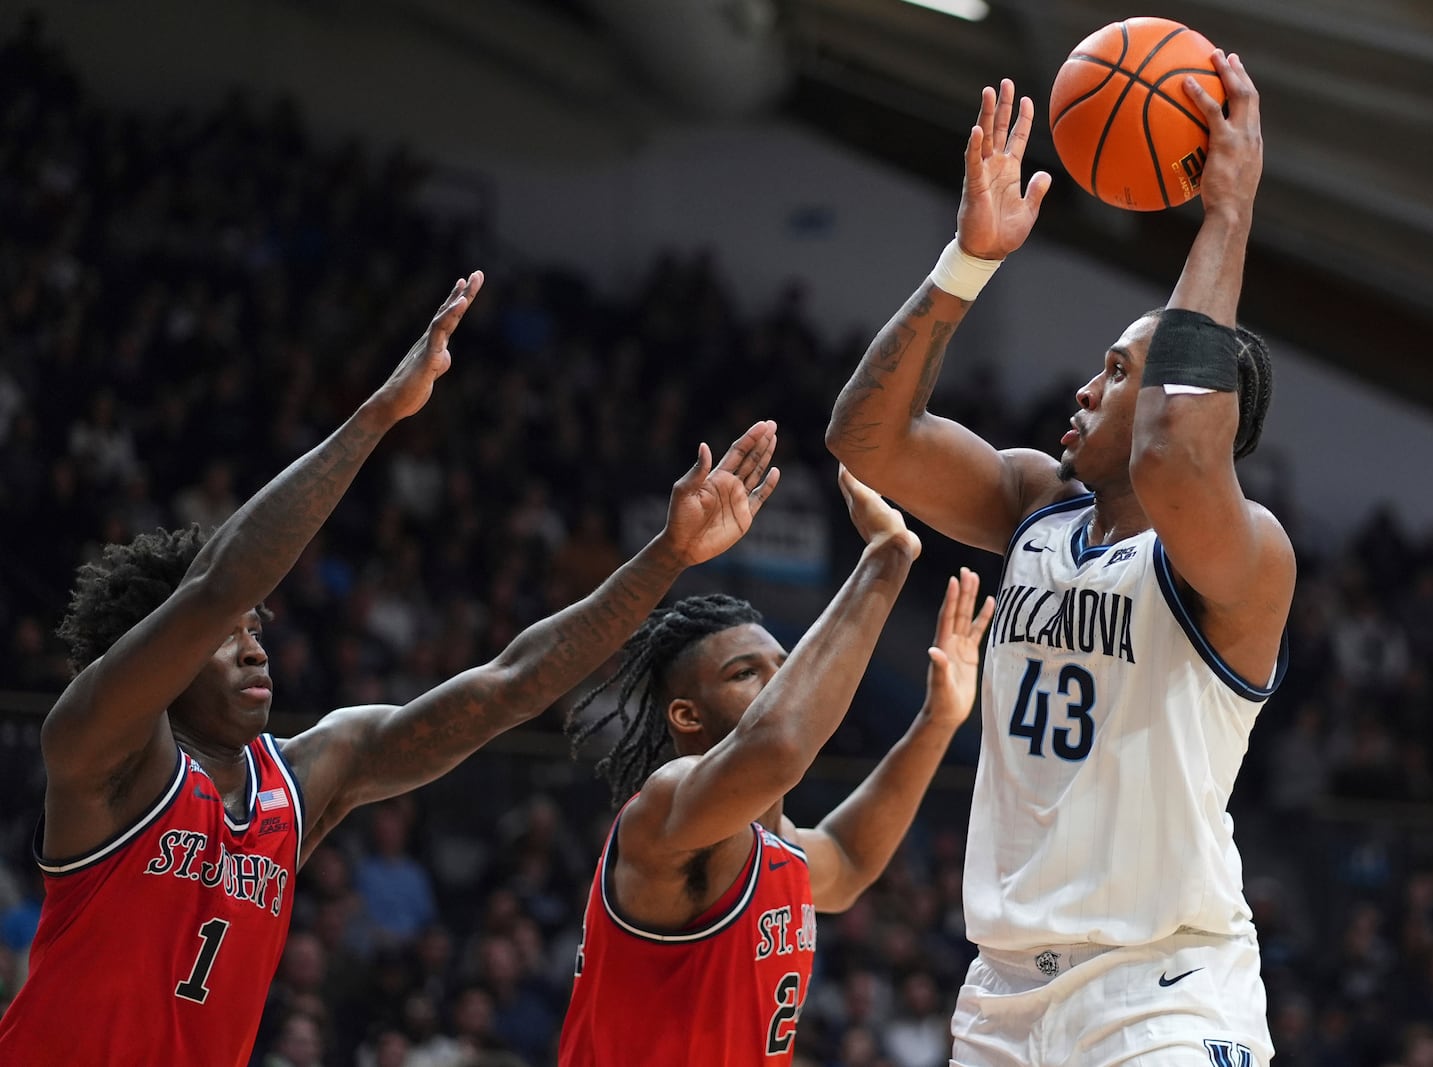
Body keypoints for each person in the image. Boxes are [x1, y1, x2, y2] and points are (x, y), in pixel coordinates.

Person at [0, 270, 785, 1067]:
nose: (253, 644)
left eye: (257, 627)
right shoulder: (96, 747)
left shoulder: (301, 779)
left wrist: (668, 556)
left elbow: (510, 684)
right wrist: (377, 416)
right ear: (153, 651)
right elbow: (218, 583)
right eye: (223, 636)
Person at [825, 52, 1292, 1065]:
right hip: (1003, 996)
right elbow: (864, 434)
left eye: (1120, 371)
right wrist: (966, 263)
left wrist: (1224, 215)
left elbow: (1172, 449)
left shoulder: (1245, 559)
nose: (1086, 386)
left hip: (1162, 991)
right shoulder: (1035, 501)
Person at [558, 468, 994, 1066]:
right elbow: (782, 746)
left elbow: (851, 858)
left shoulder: (775, 848)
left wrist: (938, 720)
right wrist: (885, 561)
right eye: (745, 673)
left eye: (783, 666)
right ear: (687, 715)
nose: (779, 682)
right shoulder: (667, 810)